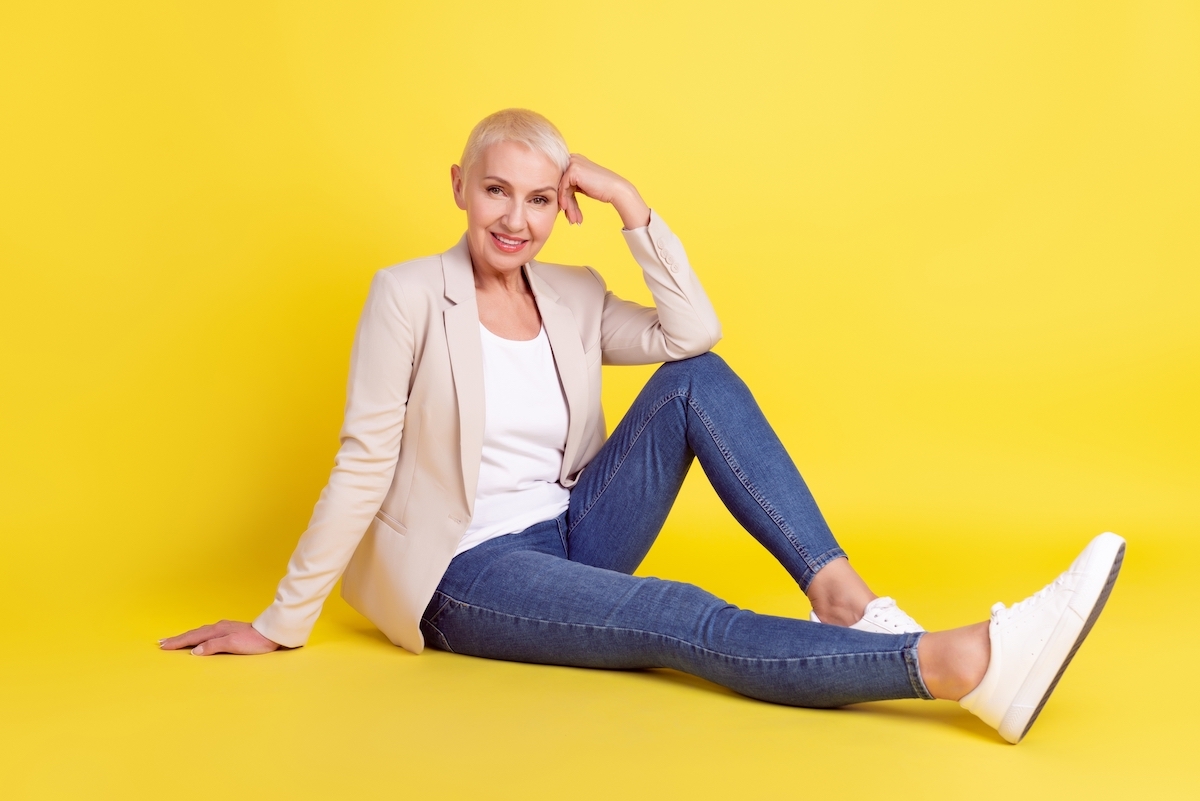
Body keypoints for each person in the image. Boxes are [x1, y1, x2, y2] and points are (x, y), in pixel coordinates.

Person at [160, 109, 1124, 744]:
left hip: (574, 530)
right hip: (469, 572)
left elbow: (691, 336)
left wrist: (631, 206)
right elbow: (364, 460)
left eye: (541, 198)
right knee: (677, 612)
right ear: (459, 184)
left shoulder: (571, 294)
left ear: (560, 207)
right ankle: (955, 661)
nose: (517, 218)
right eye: (497, 190)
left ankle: (844, 597)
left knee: (696, 380)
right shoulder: (407, 295)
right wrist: (281, 622)